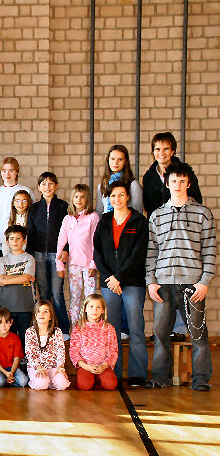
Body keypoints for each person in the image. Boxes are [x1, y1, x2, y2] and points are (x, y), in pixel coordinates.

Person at [146, 161, 216, 391]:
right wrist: (151, 282)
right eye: (173, 181)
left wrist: (204, 282)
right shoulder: (157, 215)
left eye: (182, 181)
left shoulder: (203, 214)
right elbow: (151, 252)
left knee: (198, 335)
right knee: (160, 334)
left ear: (189, 183)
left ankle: (201, 379)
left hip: (192, 284)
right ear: (167, 183)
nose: (177, 185)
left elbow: (209, 250)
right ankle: (160, 378)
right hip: (163, 284)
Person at [93, 181, 149, 388]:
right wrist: (110, 277)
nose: (117, 199)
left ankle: (137, 375)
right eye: (113, 196)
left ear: (128, 197)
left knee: (135, 328)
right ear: (109, 199)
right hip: (109, 283)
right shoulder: (104, 221)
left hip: (132, 282)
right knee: (112, 330)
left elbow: (138, 254)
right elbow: (97, 252)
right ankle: (114, 372)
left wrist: (120, 277)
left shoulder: (138, 221)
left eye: (121, 195)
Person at [26, 171, 70, 337]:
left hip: (56, 255)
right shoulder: (34, 208)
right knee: (43, 295)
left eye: (51, 183)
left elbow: (68, 231)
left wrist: (66, 250)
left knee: (57, 294)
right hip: (38, 255)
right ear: (39, 187)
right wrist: (30, 256)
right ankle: (46, 329)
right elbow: (30, 232)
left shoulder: (63, 206)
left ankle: (63, 329)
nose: (47, 187)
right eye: (43, 183)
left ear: (56, 186)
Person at [56, 184, 100, 325]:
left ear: (87, 199)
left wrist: (94, 263)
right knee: (74, 298)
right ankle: (75, 328)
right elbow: (61, 242)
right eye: (76, 197)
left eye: (82, 197)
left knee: (90, 298)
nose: (79, 200)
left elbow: (96, 242)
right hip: (74, 264)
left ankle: (90, 327)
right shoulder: (67, 219)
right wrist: (59, 265)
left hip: (88, 265)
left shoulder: (93, 217)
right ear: (72, 199)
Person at [143, 132, 201, 219]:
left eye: (166, 149)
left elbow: (197, 201)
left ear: (172, 151)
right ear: (153, 152)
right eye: (158, 149)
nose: (161, 153)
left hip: (183, 222)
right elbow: (148, 207)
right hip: (158, 223)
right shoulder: (148, 177)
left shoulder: (185, 173)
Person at [69, 294, 118, 391]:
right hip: (86, 366)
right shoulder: (78, 328)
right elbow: (74, 351)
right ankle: (87, 380)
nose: (94, 310)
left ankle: (97, 380)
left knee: (111, 385)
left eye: (98, 307)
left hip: (103, 366)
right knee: (85, 386)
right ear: (85, 309)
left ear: (102, 310)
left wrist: (103, 366)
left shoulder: (109, 328)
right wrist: (85, 366)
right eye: (91, 307)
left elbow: (113, 351)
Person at [0, 225, 36, 343]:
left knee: (25, 337)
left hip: (25, 306)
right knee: (9, 338)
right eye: (12, 238)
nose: (15, 241)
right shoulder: (2, 260)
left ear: (24, 241)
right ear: (7, 242)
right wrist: (22, 277)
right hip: (7, 306)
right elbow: (1, 278)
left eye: (18, 238)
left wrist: (6, 280)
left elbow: (25, 277)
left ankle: (23, 355)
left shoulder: (29, 258)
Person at [0, 157, 34, 255]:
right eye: (4, 171)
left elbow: (32, 217)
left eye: (11, 171)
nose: (7, 174)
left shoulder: (26, 191)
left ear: (17, 172)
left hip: (21, 246)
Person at [24, 300, 70, 391]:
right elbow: (30, 353)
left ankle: (50, 380)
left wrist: (60, 366)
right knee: (41, 385)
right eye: (38, 311)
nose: (42, 314)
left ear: (50, 316)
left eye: (45, 311)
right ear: (35, 316)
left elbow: (60, 351)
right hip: (37, 367)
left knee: (62, 385)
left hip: (53, 367)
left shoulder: (57, 332)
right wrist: (38, 367)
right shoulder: (30, 332)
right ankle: (39, 381)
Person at [0, 308, 28, 388]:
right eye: (0, 323)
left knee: (23, 382)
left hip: (12, 368)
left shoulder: (15, 338)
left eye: (6, 322)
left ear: (11, 322)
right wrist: (5, 373)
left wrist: (11, 372)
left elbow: (17, 358)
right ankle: (5, 380)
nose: (3, 326)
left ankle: (7, 380)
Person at [95, 145, 143, 215]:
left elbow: (138, 212)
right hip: (107, 221)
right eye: (112, 159)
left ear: (125, 161)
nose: (115, 163)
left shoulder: (133, 185)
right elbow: (99, 211)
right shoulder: (102, 185)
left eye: (120, 159)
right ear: (108, 160)